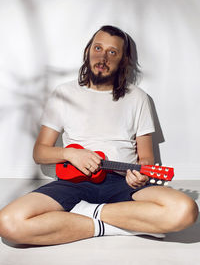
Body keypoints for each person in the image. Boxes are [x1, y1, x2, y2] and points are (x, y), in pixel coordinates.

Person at [0, 25, 198, 246]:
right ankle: (124, 226)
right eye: (98, 48)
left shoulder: (139, 98)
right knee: (8, 222)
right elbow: (40, 152)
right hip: (74, 182)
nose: (102, 57)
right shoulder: (63, 94)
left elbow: (147, 158)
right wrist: (71, 154)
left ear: (123, 60)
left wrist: (141, 174)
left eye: (112, 52)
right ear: (87, 51)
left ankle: (86, 214)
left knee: (185, 211)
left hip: (124, 183)